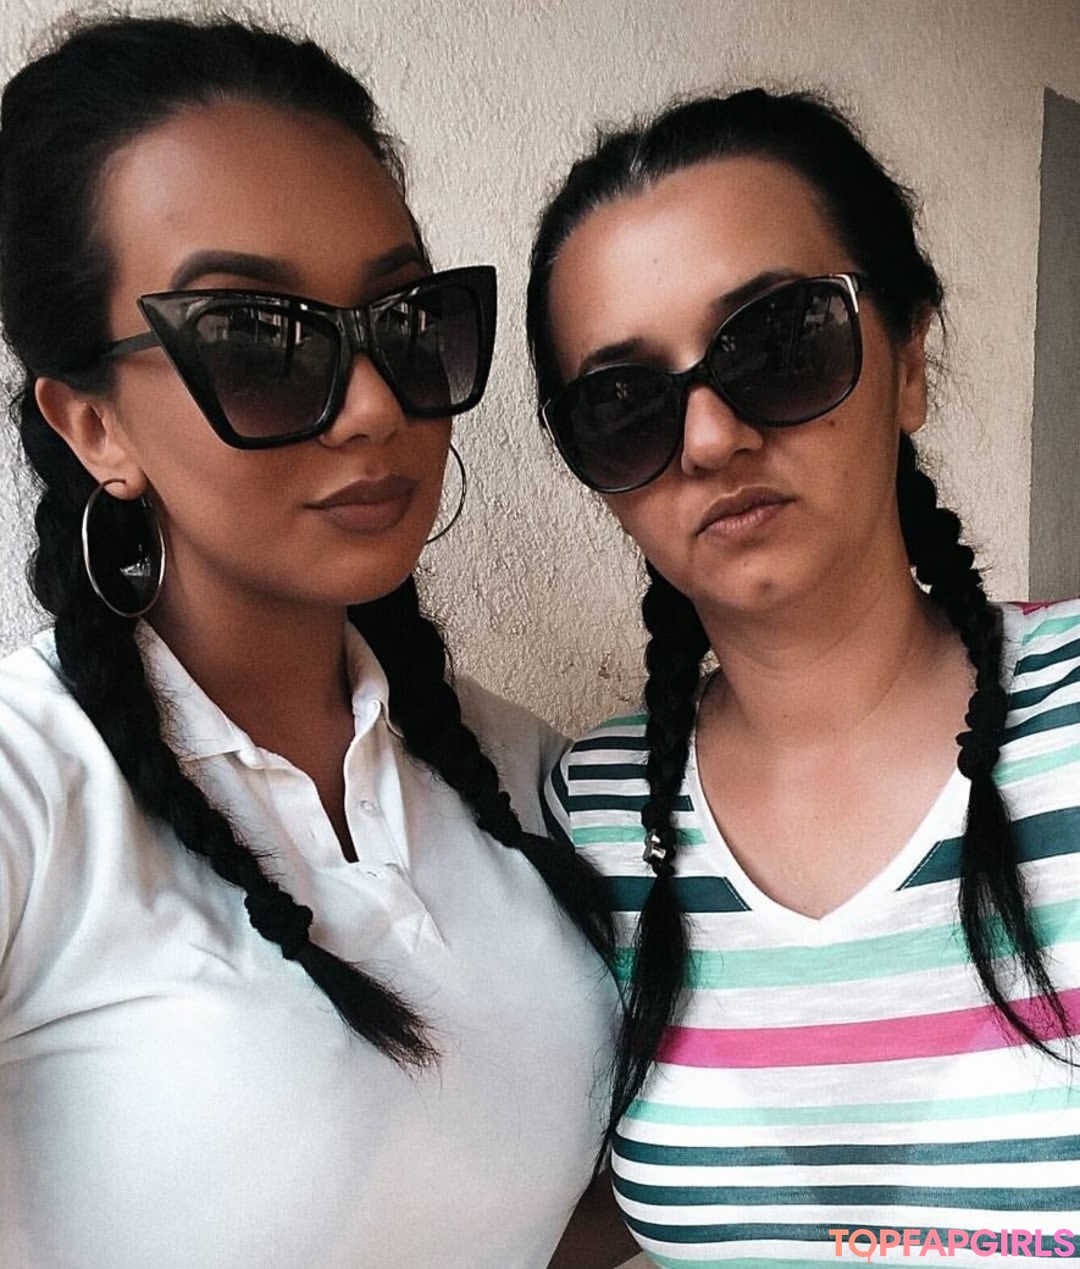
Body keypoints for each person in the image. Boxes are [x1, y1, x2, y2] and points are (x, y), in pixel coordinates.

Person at [0, 16, 629, 1269]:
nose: (376, 405)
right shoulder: (33, 791)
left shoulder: (521, 775)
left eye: (406, 320)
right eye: (255, 341)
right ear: (93, 428)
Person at [527, 90, 1080, 1262]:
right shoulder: (599, 812)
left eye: (777, 344)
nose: (711, 438)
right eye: (625, 405)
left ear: (908, 358)